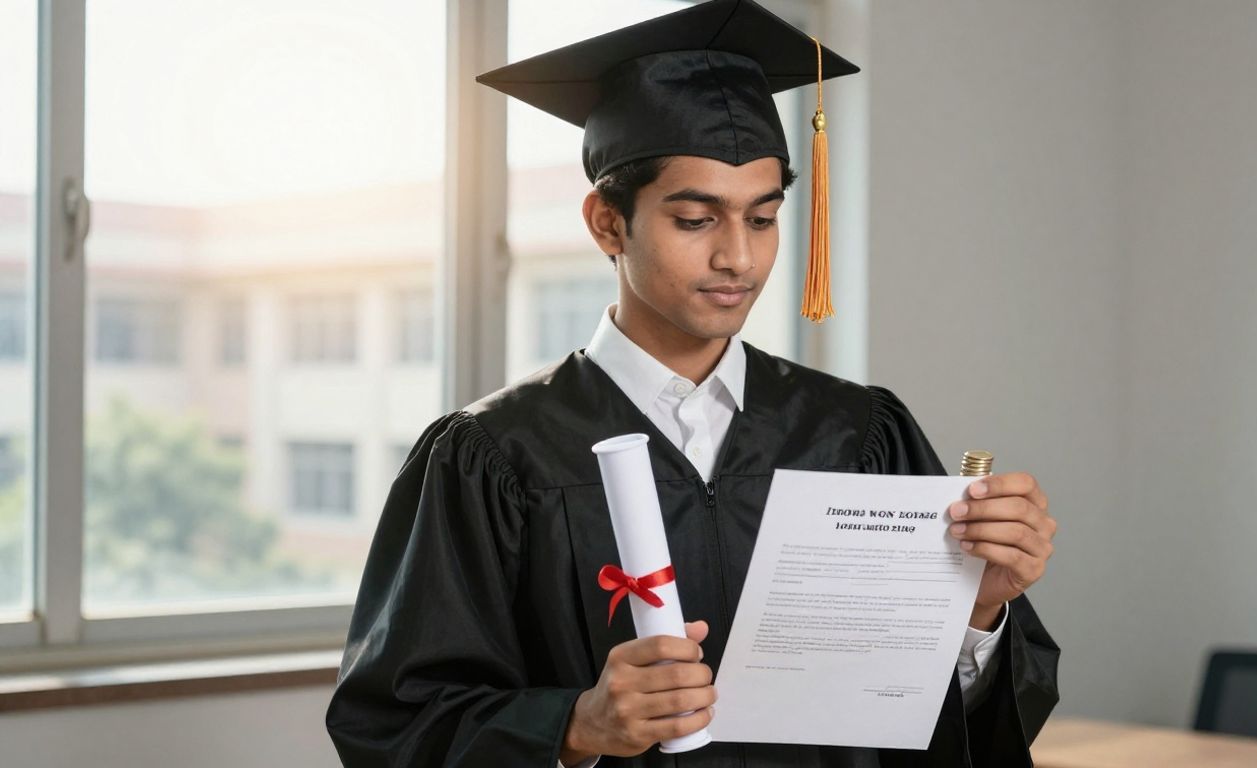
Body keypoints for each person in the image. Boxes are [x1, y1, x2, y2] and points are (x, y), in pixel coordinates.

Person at [325, 1, 1059, 765]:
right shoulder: (494, 456)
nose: (739, 259)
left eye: (764, 218)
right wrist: (574, 726)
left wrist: (974, 612)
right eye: (696, 220)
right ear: (609, 224)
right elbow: (393, 726)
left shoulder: (856, 431)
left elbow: (936, 724)